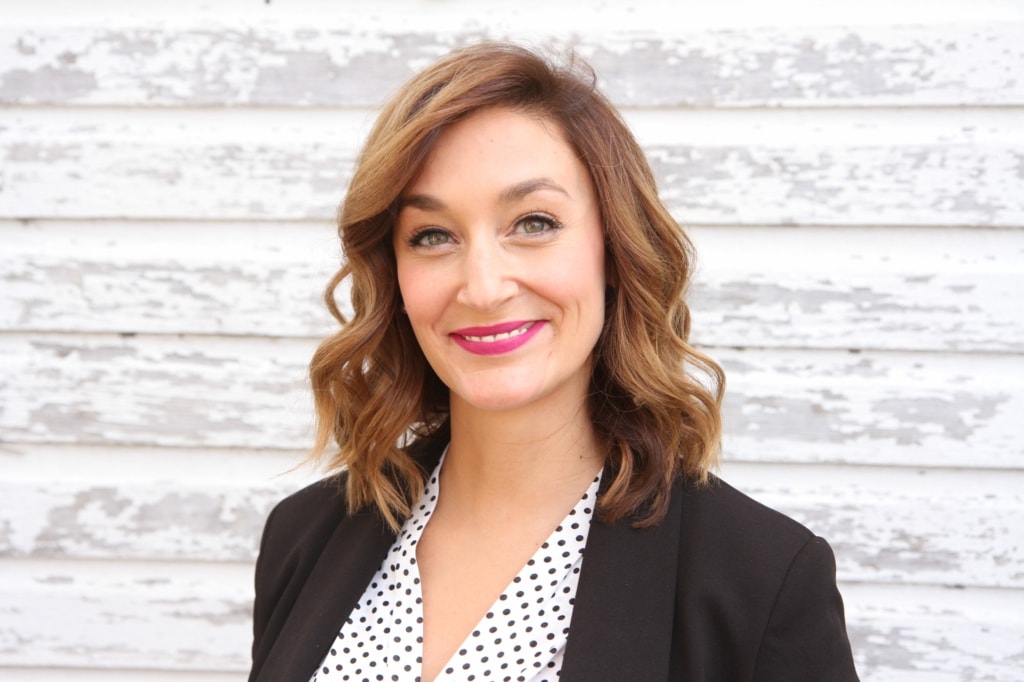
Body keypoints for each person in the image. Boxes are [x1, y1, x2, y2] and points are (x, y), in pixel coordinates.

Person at [248, 42, 858, 682]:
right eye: (433, 236)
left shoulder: (762, 581)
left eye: (533, 223)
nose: (482, 288)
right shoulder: (304, 536)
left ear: (615, 251)